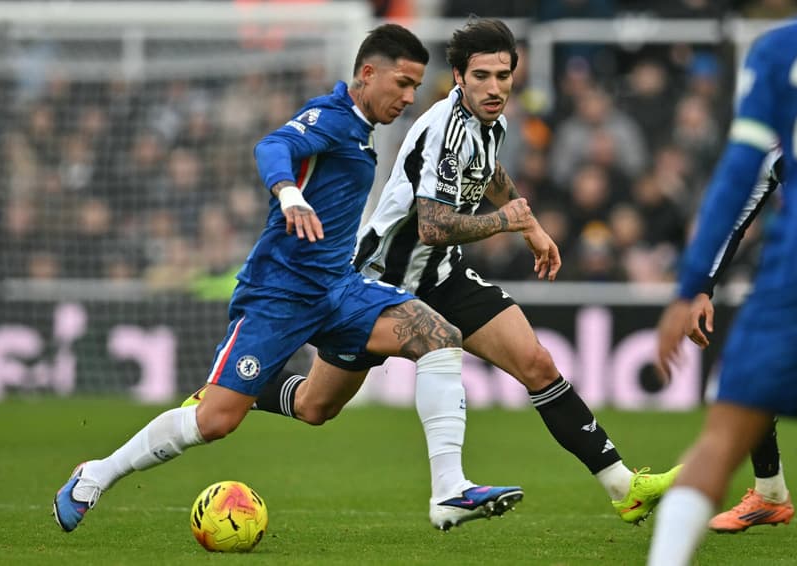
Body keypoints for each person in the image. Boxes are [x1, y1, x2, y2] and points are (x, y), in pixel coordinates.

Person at [200, 17, 680, 530]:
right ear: (458, 77)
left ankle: (622, 487)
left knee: (537, 363)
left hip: (442, 276)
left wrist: (530, 225)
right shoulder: (443, 131)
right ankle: (229, 390)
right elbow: (431, 226)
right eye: (482, 77)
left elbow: (490, 171)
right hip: (384, 277)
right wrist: (506, 222)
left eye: (503, 75)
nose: (494, 87)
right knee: (318, 406)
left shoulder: (491, 123)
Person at [53, 23, 521, 534]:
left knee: (426, 344)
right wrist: (288, 194)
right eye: (403, 84)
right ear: (367, 74)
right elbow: (271, 146)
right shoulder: (331, 118)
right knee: (215, 421)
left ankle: (449, 491)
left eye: (415, 87)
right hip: (278, 295)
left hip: (338, 289)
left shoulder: (361, 133)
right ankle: (95, 476)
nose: (409, 98)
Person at [651, 6, 797, 564]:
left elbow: (738, 179)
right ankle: (770, 491)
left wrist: (690, 287)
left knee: (723, 425)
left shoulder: (783, 49)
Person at [683, 146, 795, 533]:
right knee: (746, 373)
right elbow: (734, 222)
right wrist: (702, 289)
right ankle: (770, 493)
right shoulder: (777, 156)